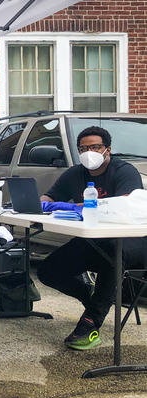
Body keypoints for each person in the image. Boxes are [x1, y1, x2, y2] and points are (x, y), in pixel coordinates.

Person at [38, 126, 147, 350]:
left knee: (112, 256)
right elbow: (47, 197)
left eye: (95, 147)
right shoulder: (74, 173)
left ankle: (90, 324)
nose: (90, 152)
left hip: (132, 239)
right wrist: (48, 203)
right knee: (47, 271)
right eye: (83, 148)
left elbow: (126, 204)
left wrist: (82, 205)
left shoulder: (124, 171)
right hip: (94, 239)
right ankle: (91, 297)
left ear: (108, 149)